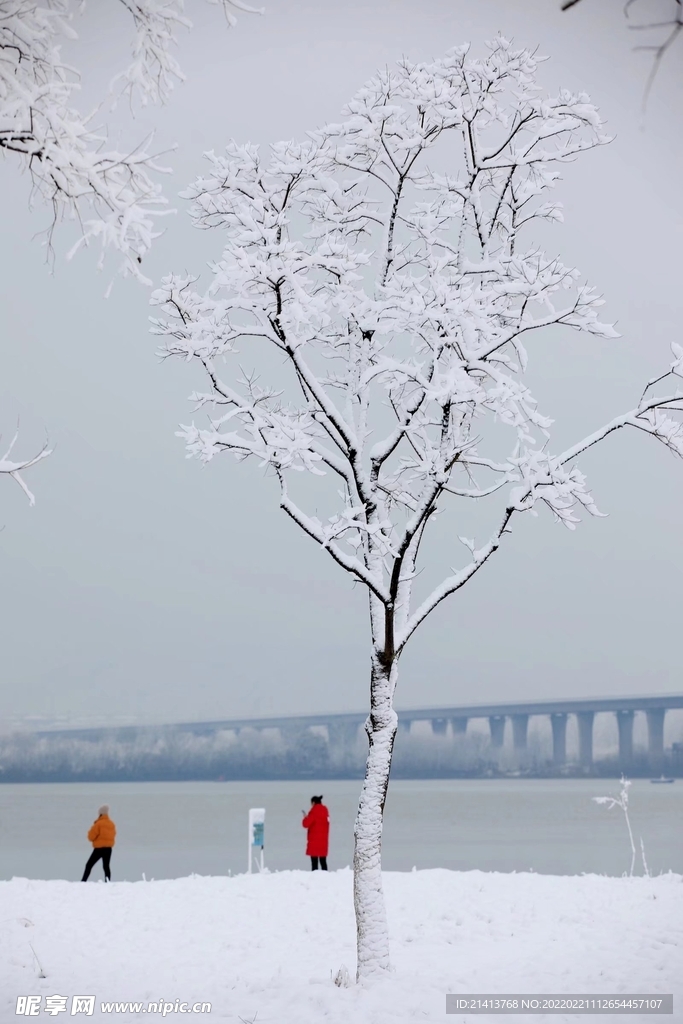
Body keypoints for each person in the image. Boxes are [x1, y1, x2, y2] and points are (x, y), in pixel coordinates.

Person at [81, 804, 116, 882]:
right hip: (108, 848)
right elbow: (113, 835)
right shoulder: (112, 824)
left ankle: (83, 881)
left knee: (89, 865)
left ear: (100, 814)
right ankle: (108, 882)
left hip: (99, 849)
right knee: (106, 866)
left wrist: (95, 840)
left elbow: (91, 837)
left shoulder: (98, 824)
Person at [302, 795, 329, 870]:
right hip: (323, 840)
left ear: (313, 803)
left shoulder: (313, 811)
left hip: (314, 840)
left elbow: (306, 824)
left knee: (314, 862)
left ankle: (315, 877)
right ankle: (325, 876)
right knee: (323, 861)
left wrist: (305, 817)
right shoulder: (325, 811)